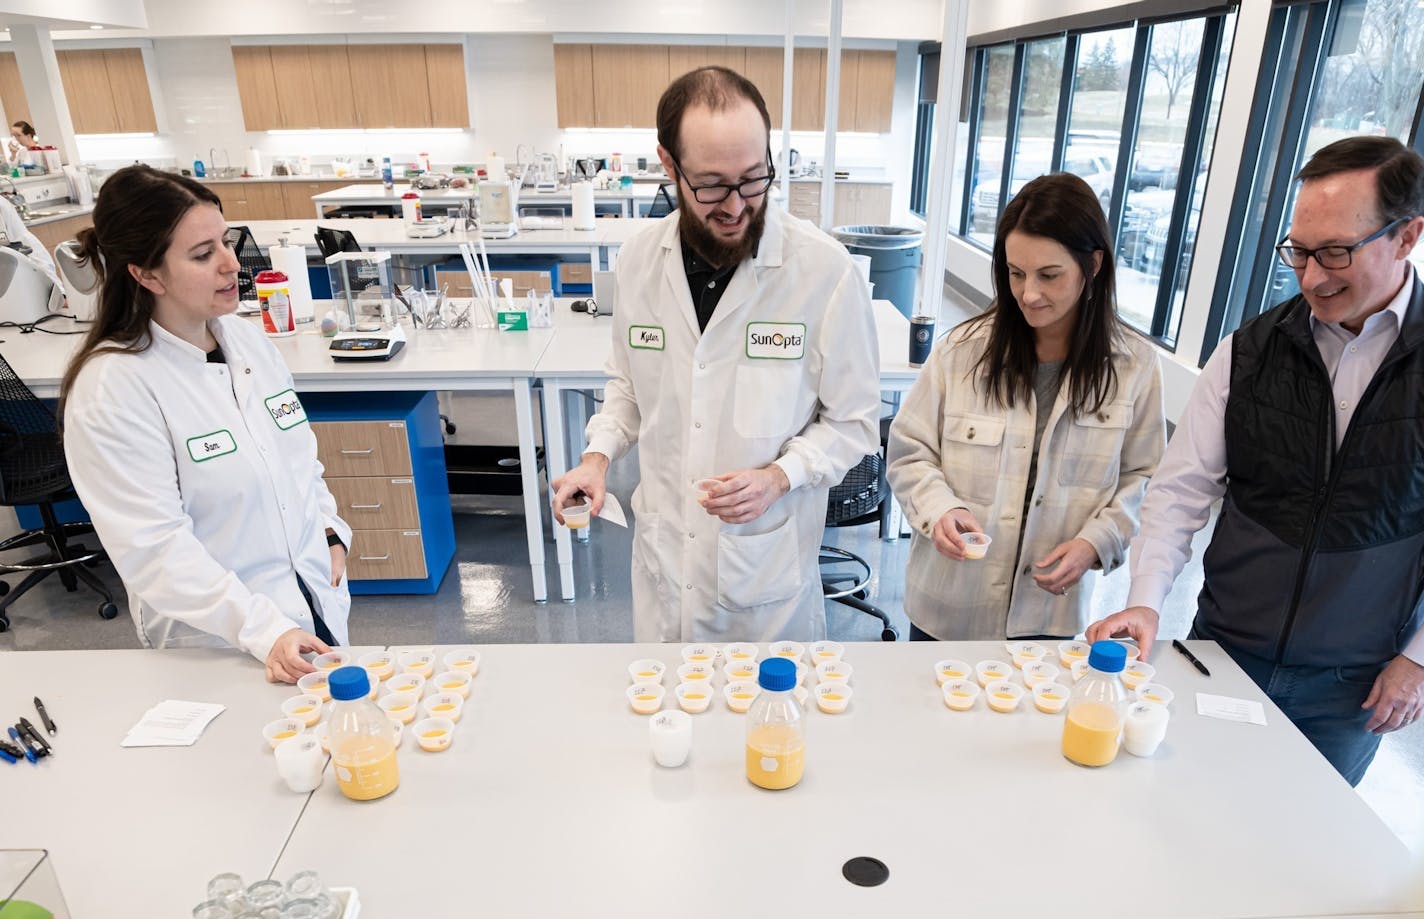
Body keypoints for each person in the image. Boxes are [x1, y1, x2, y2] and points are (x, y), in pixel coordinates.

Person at [1087, 136, 1424, 785]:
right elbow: (1179, 492)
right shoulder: (1248, 352)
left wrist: (1417, 658)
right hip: (1223, 653)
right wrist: (1148, 599)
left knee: (1304, 855)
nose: (1312, 277)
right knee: (1191, 820)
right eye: (1298, 251)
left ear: (1407, 236)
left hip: (1351, 687)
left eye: (1335, 252)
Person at [550, 66, 881, 642]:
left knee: (769, 724)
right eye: (711, 185)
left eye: (754, 179)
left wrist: (782, 475)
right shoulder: (637, 262)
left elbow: (854, 421)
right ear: (669, 165)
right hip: (666, 564)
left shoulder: (823, 272)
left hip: (767, 580)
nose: (736, 206)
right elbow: (630, 386)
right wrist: (597, 458)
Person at [59, 165, 352, 683]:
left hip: (313, 606)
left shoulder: (249, 342)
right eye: (202, 254)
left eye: (225, 241)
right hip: (219, 641)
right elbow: (155, 549)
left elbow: (300, 459)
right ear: (146, 274)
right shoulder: (115, 389)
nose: (229, 264)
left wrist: (330, 529)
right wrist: (262, 629)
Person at [887, 172, 1165, 642]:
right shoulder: (962, 352)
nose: (1028, 294)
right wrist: (941, 509)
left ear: (1093, 265)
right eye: (1016, 273)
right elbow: (910, 451)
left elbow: (1145, 479)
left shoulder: (1134, 367)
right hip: (948, 611)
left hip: (1050, 614)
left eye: (1049, 275)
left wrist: (1097, 542)